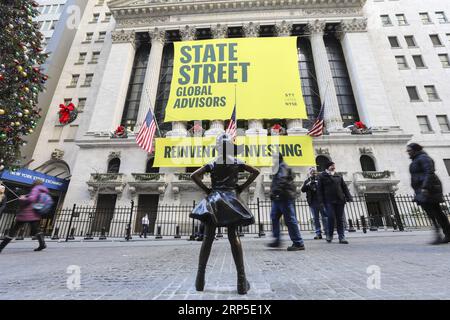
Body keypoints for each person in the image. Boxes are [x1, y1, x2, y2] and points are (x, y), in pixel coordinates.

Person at [190, 133, 259, 295]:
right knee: (233, 236)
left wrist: (208, 190)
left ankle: (200, 280)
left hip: (214, 200)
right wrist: (241, 187)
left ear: (219, 147)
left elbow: (194, 175)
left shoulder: (214, 162)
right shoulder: (236, 161)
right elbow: (255, 172)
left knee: (207, 238)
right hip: (231, 199)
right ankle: (241, 282)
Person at [407, 143, 450, 244]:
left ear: (415, 150)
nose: (408, 152)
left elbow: (429, 172)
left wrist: (425, 187)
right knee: (432, 212)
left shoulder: (424, 158)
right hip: (422, 189)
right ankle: (442, 234)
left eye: (409, 150)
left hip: (429, 188)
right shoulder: (416, 160)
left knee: (436, 212)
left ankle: (444, 234)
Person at [268, 153, 305, 251]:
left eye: (273, 158)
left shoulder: (282, 166)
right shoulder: (278, 167)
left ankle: (298, 243)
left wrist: (274, 192)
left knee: (290, 220)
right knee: (274, 216)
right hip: (279, 197)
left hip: (284, 196)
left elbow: (282, 180)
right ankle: (277, 240)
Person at [0, 179, 49, 253]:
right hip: (34, 213)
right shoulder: (42, 191)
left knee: (13, 230)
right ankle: (42, 244)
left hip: (27, 212)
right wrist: (27, 196)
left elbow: (31, 199)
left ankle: (1, 247)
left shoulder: (35, 189)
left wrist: (23, 199)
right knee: (36, 229)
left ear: (35, 183)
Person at [317, 161, 353, 244]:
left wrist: (349, 197)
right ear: (327, 167)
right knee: (331, 217)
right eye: (332, 166)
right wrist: (321, 202)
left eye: (334, 166)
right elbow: (319, 190)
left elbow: (344, 187)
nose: (334, 167)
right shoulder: (322, 176)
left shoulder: (338, 176)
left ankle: (342, 237)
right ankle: (329, 235)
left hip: (340, 200)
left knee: (340, 219)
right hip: (328, 201)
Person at [301, 167, 327, 240]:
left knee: (324, 217)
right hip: (312, 202)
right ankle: (318, 233)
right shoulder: (307, 181)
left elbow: (325, 188)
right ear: (310, 173)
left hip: (321, 202)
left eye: (314, 171)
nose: (313, 172)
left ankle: (327, 232)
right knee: (316, 219)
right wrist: (307, 185)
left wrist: (317, 183)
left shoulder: (320, 179)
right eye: (312, 171)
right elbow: (302, 190)